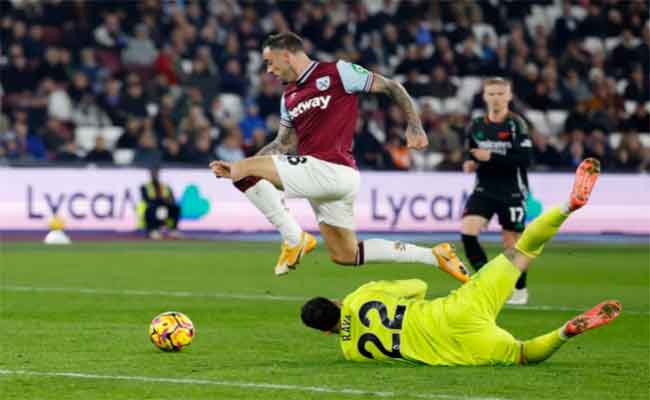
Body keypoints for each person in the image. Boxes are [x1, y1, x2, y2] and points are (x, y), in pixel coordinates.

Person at [301, 159, 621, 366]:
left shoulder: (352, 352)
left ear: (325, 333)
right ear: (334, 301)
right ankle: (569, 205)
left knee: (523, 354)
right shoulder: (361, 297)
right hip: (458, 308)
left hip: (459, 348)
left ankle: (565, 332)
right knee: (522, 249)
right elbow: (419, 285)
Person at [209, 32, 469, 283]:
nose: (269, 70)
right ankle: (435, 256)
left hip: (332, 170)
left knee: (243, 170)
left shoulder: (338, 72)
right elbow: (283, 143)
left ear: (286, 55)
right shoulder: (288, 97)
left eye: (270, 62)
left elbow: (392, 86)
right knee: (346, 254)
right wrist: (244, 167)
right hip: (321, 180)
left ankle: (293, 238)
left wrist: (414, 125)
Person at [461, 77, 533, 305]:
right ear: (484, 97)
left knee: (512, 243)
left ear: (509, 96)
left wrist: (490, 157)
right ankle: (485, 279)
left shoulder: (516, 124)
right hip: (484, 188)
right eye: (491, 94)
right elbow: (472, 154)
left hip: (512, 189)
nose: (496, 98)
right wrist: (470, 163)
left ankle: (519, 289)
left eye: (501, 94)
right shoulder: (476, 125)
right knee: (468, 233)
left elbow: (524, 159)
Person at [140, 167, 182, 240]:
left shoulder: (165, 186)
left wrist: (167, 201)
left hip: (164, 206)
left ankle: (173, 230)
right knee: (153, 208)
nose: (155, 175)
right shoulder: (145, 186)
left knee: (175, 207)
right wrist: (161, 201)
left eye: (156, 173)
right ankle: (153, 230)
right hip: (152, 207)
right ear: (150, 174)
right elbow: (146, 199)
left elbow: (172, 198)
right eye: (153, 173)